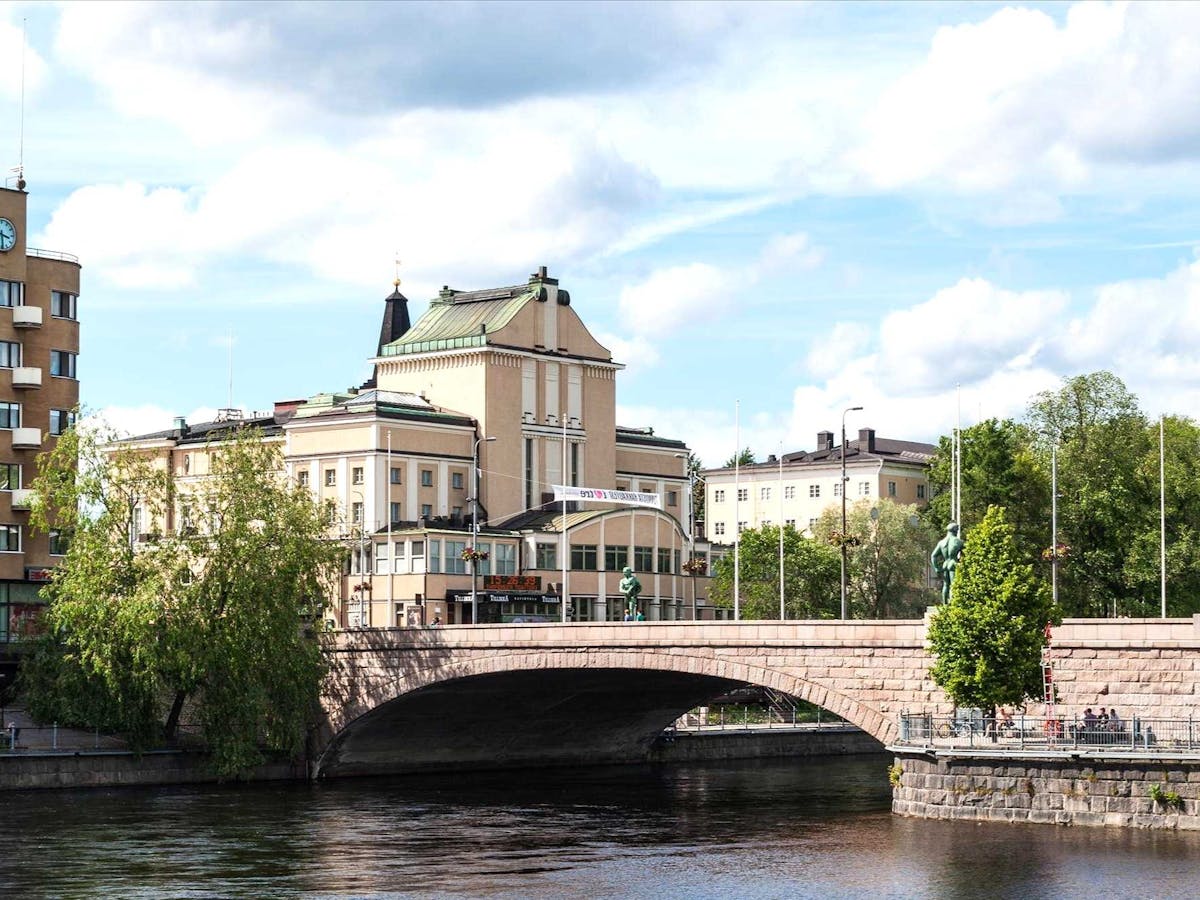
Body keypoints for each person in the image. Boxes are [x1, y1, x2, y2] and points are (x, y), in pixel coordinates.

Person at [930, 523, 965, 602]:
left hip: (945, 564)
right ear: (955, 530)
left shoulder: (941, 542)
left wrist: (936, 568)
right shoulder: (959, 541)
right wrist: (961, 562)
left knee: (946, 585)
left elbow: (933, 556)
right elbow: (965, 554)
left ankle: (945, 604)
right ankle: (954, 603)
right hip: (953, 563)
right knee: (954, 585)